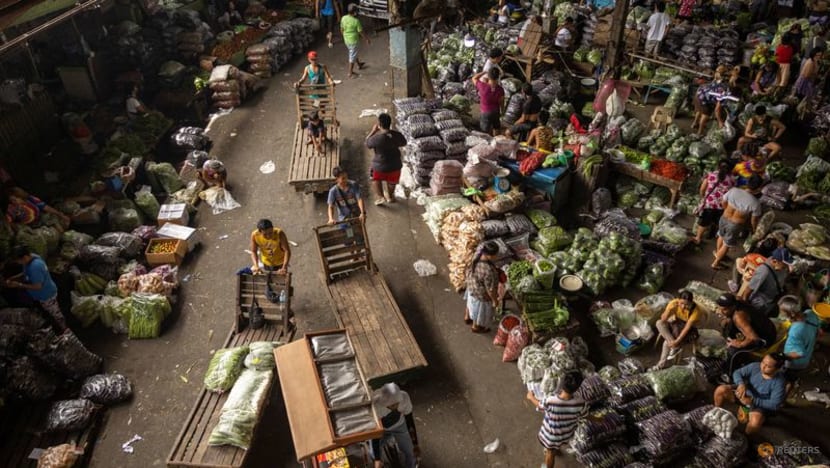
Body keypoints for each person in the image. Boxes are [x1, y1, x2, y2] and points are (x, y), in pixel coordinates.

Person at [526, 371, 588, 468]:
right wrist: (598, 419)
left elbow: (540, 406)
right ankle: (555, 449)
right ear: (577, 388)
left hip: (552, 435)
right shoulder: (580, 402)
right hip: (566, 433)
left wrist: (531, 397)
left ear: (562, 384)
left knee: (550, 454)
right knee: (556, 445)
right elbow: (584, 415)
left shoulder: (551, 400)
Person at [713, 353, 787, 434]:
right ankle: (716, 413)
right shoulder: (755, 366)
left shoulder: (779, 382)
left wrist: (752, 401)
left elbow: (775, 405)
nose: (762, 367)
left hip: (758, 403)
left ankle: (745, 437)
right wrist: (741, 384)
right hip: (744, 392)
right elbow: (737, 373)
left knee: (755, 423)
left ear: (777, 369)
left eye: (768, 366)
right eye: (763, 362)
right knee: (720, 390)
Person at [716, 293, 778, 380]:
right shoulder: (738, 300)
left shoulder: (738, 317)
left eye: (724, 309)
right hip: (768, 327)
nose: (721, 311)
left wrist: (739, 344)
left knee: (733, 351)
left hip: (765, 338)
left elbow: (754, 338)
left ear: (733, 307)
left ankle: (728, 374)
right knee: (728, 327)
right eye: (720, 308)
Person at [4, 245, 66, 330]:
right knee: (48, 310)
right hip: (44, 291)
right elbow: (25, 273)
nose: (18, 263)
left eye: (18, 261)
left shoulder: (35, 267)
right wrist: (14, 277)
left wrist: (18, 285)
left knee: (55, 312)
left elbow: (38, 287)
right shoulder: (32, 257)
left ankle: (63, 327)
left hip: (46, 296)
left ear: (25, 257)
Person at [712, 175, 763, 270]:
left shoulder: (734, 190)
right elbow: (754, 220)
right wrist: (754, 229)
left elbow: (723, 202)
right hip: (735, 225)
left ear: (747, 183)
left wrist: (725, 210)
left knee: (721, 235)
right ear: (759, 188)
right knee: (727, 245)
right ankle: (716, 263)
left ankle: (718, 253)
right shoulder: (755, 203)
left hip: (724, 218)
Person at [370, 383, 419, 468]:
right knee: (373, 455)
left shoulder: (404, 397)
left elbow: (409, 420)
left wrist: (415, 444)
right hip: (381, 429)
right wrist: (377, 459)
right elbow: (374, 434)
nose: (396, 406)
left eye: (397, 403)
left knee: (411, 453)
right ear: (385, 403)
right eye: (392, 405)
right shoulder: (375, 406)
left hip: (400, 426)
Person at [779, 295, 819, 395]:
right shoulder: (810, 313)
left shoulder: (795, 332)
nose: (780, 313)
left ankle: (781, 400)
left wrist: (782, 356)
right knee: (791, 379)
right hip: (807, 356)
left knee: (786, 381)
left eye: (782, 311)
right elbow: (819, 331)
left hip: (795, 364)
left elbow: (800, 353)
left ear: (791, 314)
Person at [652, 291, 702, 370]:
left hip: (687, 330)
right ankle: (674, 347)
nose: (683, 306)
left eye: (686, 304)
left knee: (666, 343)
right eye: (681, 303)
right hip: (675, 324)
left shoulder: (696, 311)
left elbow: (687, 328)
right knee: (659, 323)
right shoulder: (673, 303)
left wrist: (677, 341)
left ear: (691, 302)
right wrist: (669, 310)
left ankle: (660, 366)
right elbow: (663, 319)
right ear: (678, 300)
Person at [365, 113, 406, 205]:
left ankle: (381, 197)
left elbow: (367, 143)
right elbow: (404, 143)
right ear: (390, 124)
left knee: (375, 179)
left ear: (379, 125)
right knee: (392, 182)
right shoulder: (397, 135)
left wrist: (373, 131)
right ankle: (390, 197)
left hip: (379, 166)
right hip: (395, 164)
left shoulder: (376, 138)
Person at [692, 159, 735, 245]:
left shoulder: (711, 174)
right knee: (716, 222)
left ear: (718, 166)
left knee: (704, 222)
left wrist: (703, 196)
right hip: (722, 205)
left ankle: (698, 238)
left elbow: (702, 188)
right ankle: (711, 234)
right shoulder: (732, 179)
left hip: (709, 204)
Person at [739, 247, 791, 317]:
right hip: (760, 303)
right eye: (784, 264)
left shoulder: (782, 268)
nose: (787, 266)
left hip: (771, 299)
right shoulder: (764, 271)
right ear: (775, 261)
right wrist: (744, 309)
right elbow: (747, 291)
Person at [464, 241, 501, 333]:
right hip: (479, 294)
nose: (497, 257)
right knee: (479, 311)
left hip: (471, 285)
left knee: (470, 303)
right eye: (496, 255)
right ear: (490, 255)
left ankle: (467, 317)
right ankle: (475, 327)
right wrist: (494, 301)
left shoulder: (477, 254)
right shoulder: (489, 270)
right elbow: (490, 289)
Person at [3, 187, 70, 229]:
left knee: (59, 221)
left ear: (20, 196)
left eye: (15, 199)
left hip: (41, 218)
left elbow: (45, 207)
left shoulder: (30, 199)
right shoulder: (12, 208)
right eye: (11, 200)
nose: (14, 202)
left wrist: (60, 215)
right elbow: (8, 221)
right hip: (31, 227)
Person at [691, 67, 729, 135]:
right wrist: (720, 122)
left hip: (699, 94)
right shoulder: (724, 89)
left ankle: (694, 123)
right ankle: (700, 132)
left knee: (700, 110)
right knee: (705, 115)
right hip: (704, 99)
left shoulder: (717, 78)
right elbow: (717, 110)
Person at [472, 67, 505, 136]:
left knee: (484, 132)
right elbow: (501, 102)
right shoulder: (500, 89)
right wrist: (502, 111)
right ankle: (497, 143)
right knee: (496, 128)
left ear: (488, 76)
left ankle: (488, 144)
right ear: (498, 77)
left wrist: (484, 72)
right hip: (496, 111)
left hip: (485, 112)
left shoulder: (482, 86)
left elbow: (474, 78)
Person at [340, 3, 370, 78]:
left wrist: (345, 35)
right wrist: (366, 39)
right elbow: (361, 32)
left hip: (346, 40)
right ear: (355, 12)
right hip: (353, 41)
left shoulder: (343, 18)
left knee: (353, 52)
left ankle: (359, 64)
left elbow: (341, 29)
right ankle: (350, 73)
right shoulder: (356, 21)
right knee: (352, 56)